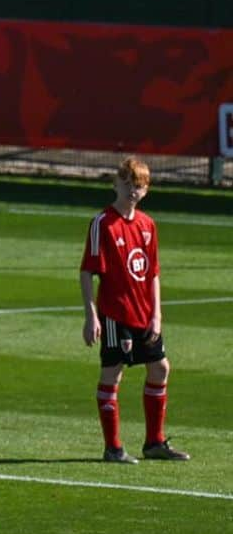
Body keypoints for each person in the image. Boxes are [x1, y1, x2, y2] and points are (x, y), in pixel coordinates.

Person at [80, 155, 189, 463]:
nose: (132, 190)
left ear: (146, 190)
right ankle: (113, 448)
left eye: (138, 186)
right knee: (112, 374)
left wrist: (157, 314)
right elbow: (88, 271)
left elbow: (152, 272)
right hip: (116, 313)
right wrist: (91, 316)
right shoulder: (103, 224)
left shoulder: (147, 225)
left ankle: (154, 442)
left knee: (160, 368)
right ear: (114, 184)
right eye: (127, 184)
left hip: (144, 313)